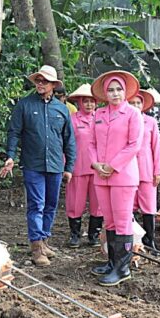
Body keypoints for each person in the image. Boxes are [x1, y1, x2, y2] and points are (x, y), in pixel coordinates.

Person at [1, 65, 76, 266]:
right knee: (36, 204)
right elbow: (14, 132)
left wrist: (69, 167)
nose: (41, 84)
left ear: (53, 85)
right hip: (32, 164)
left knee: (51, 205)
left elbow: (69, 139)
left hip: (55, 165)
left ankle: (44, 240)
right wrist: (10, 155)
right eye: (38, 80)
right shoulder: (24, 105)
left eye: (45, 81)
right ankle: (36, 247)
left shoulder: (61, 109)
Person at [88, 71, 142, 286]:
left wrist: (113, 165)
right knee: (109, 221)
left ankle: (123, 268)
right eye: (110, 90)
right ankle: (112, 262)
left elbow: (134, 145)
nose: (115, 93)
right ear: (105, 93)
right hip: (101, 176)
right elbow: (91, 143)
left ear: (125, 91)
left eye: (119, 89)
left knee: (122, 222)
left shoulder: (132, 114)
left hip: (123, 175)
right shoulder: (99, 114)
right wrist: (95, 163)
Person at [64, 84, 103, 248]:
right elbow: (66, 143)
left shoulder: (101, 118)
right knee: (75, 202)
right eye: (85, 101)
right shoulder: (72, 119)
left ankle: (94, 235)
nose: (89, 104)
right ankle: (75, 235)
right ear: (79, 102)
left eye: (92, 101)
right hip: (77, 166)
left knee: (98, 203)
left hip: (98, 168)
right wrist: (66, 166)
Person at [129, 90, 160, 253]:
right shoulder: (124, 121)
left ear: (143, 105)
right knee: (130, 206)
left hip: (147, 169)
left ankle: (150, 239)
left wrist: (158, 171)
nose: (135, 106)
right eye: (132, 103)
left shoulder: (151, 122)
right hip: (128, 170)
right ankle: (133, 239)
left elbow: (156, 147)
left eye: (138, 103)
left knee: (149, 206)